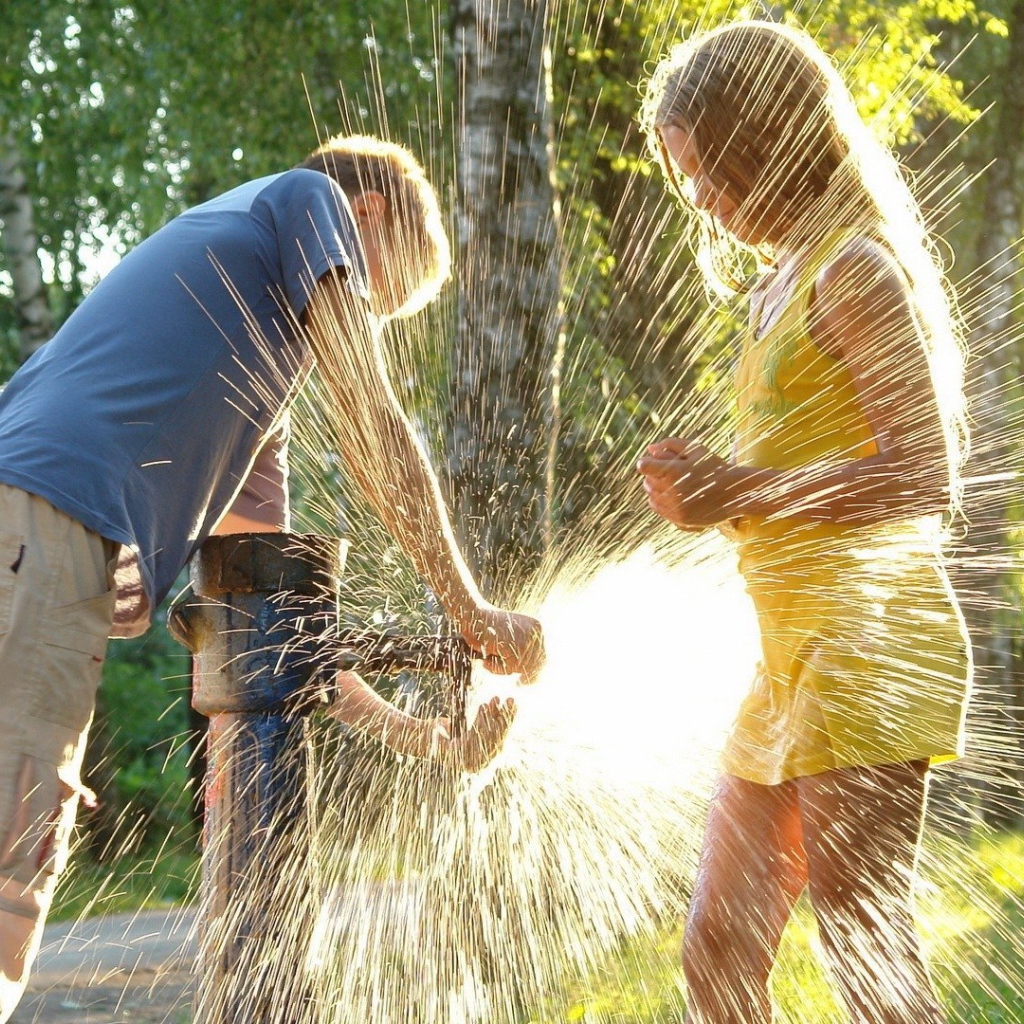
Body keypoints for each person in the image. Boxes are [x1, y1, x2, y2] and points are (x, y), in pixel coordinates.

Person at [0, 134, 543, 1022]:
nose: (364, 316)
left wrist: (437, 743)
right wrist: (469, 606)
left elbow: (276, 640)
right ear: (366, 215)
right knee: (6, 879)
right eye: (381, 294)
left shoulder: (251, 390)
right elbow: (373, 421)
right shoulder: (305, 198)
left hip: (36, 539)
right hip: (37, 529)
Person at [636, 21, 972, 1024]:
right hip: (788, 659)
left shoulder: (851, 270)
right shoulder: (772, 289)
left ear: (771, 140)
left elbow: (926, 474)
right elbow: (784, 468)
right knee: (718, 950)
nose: (703, 201)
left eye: (713, 174)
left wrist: (735, 489)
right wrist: (703, 486)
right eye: (688, 181)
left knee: (861, 938)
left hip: (870, 646)